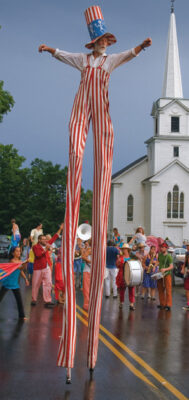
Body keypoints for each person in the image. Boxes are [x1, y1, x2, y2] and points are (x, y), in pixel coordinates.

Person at [38, 4, 152, 373]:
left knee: (104, 138)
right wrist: (48, 49)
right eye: (100, 41)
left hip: (100, 108)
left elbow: (126, 56)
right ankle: (77, 152)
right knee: (76, 140)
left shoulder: (108, 63)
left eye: (106, 41)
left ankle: (87, 358)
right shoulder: (84, 63)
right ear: (93, 44)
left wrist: (141, 47)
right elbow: (65, 56)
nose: (104, 46)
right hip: (81, 106)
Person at [31, 224, 63, 307]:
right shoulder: (35, 247)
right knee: (36, 284)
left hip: (47, 267)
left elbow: (54, 237)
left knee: (48, 284)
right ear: (39, 240)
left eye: (45, 239)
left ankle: (47, 300)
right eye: (43, 239)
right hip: (38, 268)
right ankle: (34, 299)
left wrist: (60, 229)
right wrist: (46, 249)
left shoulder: (47, 244)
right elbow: (38, 255)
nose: (45, 240)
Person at [0, 247, 29, 319]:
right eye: (17, 251)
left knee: (19, 300)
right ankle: (22, 316)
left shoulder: (19, 261)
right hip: (7, 283)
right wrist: (26, 262)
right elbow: (21, 268)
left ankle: (22, 316)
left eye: (19, 251)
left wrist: (25, 278)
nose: (19, 252)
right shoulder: (12, 261)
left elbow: (21, 271)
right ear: (13, 253)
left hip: (15, 284)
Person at [116, 244, 135, 310]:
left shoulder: (132, 258)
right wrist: (118, 262)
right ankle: (121, 302)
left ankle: (131, 304)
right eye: (123, 249)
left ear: (127, 250)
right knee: (122, 289)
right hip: (122, 274)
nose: (123, 250)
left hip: (130, 275)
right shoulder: (120, 257)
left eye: (124, 249)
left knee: (131, 289)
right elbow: (117, 266)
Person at [157, 242, 173, 311]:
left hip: (167, 275)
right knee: (160, 289)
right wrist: (154, 265)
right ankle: (162, 304)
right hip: (160, 275)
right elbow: (158, 262)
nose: (161, 248)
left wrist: (165, 269)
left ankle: (168, 305)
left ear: (166, 248)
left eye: (163, 247)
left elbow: (171, 266)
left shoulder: (169, 256)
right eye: (161, 247)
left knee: (168, 290)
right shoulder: (160, 255)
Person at [181, 242, 189, 311]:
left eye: (188, 246)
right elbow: (185, 262)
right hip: (187, 274)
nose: (187, 247)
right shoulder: (187, 253)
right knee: (187, 289)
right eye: (187, 246)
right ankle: (188, 304)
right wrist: (183, 268)